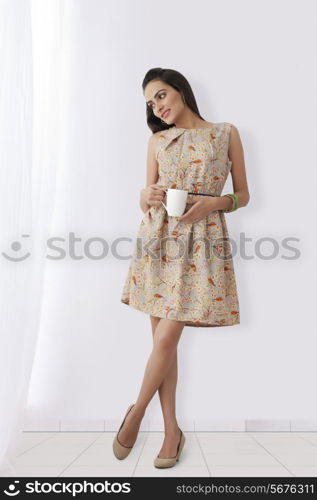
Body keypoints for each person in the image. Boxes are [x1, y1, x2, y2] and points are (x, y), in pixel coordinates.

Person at [114, 67, 250, 468]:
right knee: (165, 344)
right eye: (150, 102)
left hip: (203, 243)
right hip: (158, 242)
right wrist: (145, 194)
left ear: (180, 90)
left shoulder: (226, 132)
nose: (157, 106)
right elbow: (147, 199)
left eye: (160, 95)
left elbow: (244, 194)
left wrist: (216, 202)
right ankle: (172, 432)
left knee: (166, 340)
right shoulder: (156, 141)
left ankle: (135, 413)